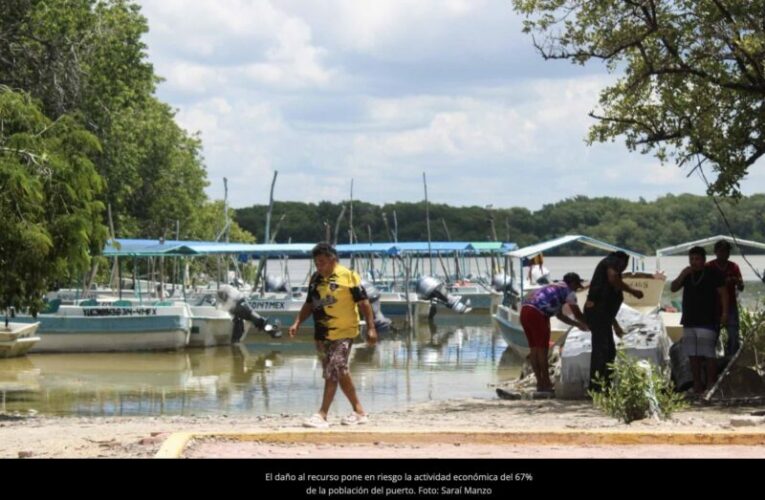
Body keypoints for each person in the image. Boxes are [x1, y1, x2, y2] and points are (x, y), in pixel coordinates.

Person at [288, 242, 378, 428]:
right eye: (316, 263)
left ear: (332, 259)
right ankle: (359, 411)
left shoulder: (349, 276)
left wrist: (371, 327)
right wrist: (297, 322)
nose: (319, 266)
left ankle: (322, 414)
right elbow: (309, 304)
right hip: (321, 334)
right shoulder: (316, 279)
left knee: (334, 369)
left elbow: (364, 304)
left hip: (344, 332)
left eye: (322, 262)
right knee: (338, 371)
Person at [584, 251, 644, 391]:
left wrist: (615, 325)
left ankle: (605, 384)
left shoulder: (612, 274)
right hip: (598, 315)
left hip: (604, 316)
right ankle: (596, 387)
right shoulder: (611, 263)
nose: (623, 268)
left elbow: (608, 306)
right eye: (624, 265)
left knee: (609, 351)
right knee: (601, 350)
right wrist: (633, 291)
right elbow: (613, 278)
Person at [671, 246, 728, 395]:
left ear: (703, 260)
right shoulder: (687, 274)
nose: (694, 262)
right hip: (689, 320)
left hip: (707, 321)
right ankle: (697, 385)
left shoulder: (712, 273)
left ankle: (711, 384)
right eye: (691, 259)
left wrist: (725, 313)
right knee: (693, 355)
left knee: (708, 354)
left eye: (697, 259)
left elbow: (723, 293)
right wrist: (683, 274)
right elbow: (673, 288)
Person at [520, 272, 589, 392]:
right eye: (577, 284)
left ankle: (540, 383)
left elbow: (560, 316)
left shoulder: (554, 287)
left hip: (525, 310)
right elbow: (578, 314)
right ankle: (546, 383)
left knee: (534, 349)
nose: (578, 287)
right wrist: (589, 325)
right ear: (572, 283)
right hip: (538, 314)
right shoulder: (569, 292)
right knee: (542, 350)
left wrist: (577, 325)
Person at [706, 240, 744, 356]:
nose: (724, 254)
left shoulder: (734, 267)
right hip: (714, 306)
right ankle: (710, 359)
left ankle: (732, 359)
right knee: (712, 336)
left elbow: (741, 287)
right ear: (715, 252)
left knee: (733, 335)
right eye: (721, 251)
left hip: (731, 305)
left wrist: (736, 281)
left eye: (726, 251)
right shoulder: (709, 267)